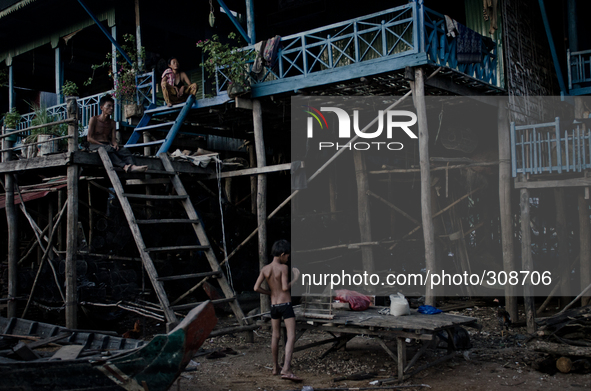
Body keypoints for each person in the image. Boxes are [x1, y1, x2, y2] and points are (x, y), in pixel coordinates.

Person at [254, 240, 302, 382]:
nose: (288, 258)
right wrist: (296, 278)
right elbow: (285, 288)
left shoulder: (265, 269)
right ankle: (286, 369)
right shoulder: (283, 268)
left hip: (274, 306)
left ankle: (275, 368)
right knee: (291, 335)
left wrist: (270, 294)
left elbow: (256, 288)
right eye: (287, 256)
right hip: (285, 305)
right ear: (282, 255)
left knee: (275, 336)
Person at [87, 96, 148, 172]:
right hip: (95, 145)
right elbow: (89, 138)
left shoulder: (112, 123)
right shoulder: (94, 119)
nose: (111, 108)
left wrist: (115, 144)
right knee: (108, 149)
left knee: (124, 150)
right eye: (108, 106)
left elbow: (113, 140)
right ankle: (124, 166)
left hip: (107, 145)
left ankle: (133, 166)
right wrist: (102, 145)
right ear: (102, 107)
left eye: (112, 106)